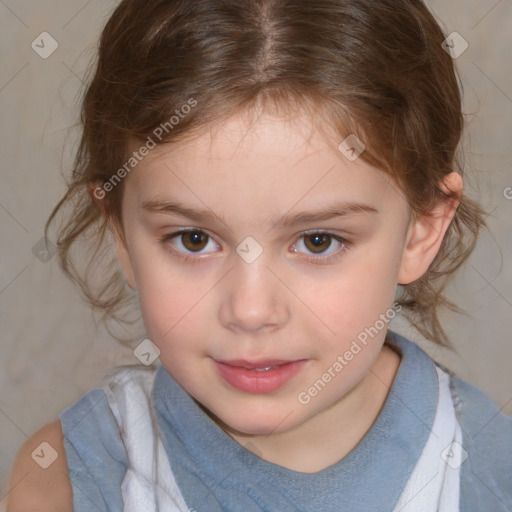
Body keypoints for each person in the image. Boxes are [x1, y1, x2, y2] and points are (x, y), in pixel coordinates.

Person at [6, 0, 512, 510]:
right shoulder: (70, 480)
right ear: (119, 230)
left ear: (421, 231)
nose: (250, 311)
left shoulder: (492, 473)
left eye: (318, 241)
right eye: (193, 239)